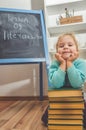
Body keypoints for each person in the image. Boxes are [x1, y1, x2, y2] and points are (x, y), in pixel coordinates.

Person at [41, 32, 86, 126]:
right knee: (46, 120)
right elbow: (56, 84)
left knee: (83, 120)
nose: (66, 47)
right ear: (57, 51)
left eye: (70, 45)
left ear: (76, 50)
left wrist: (69, 63)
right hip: (59, 99)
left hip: (76, 99)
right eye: (61, 46)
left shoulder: (82, 63)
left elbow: (76, 83)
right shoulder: (55, 64)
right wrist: (62, 64)